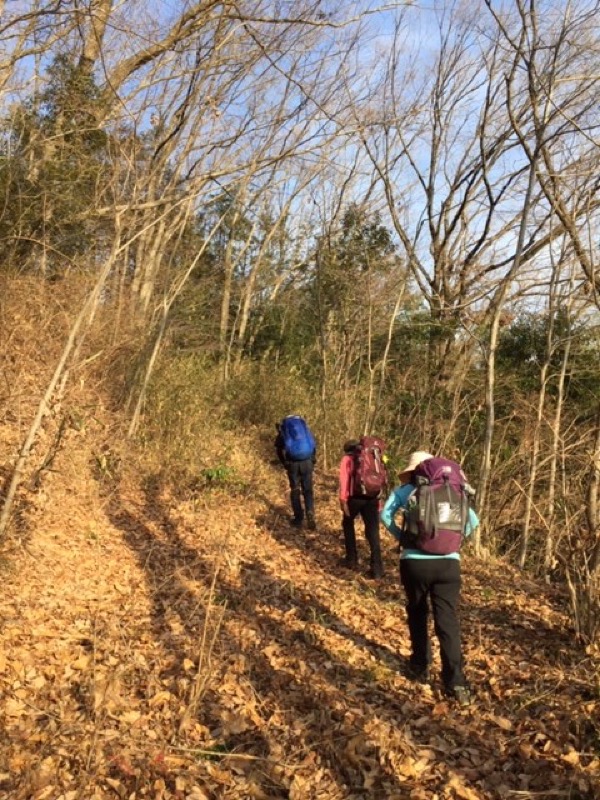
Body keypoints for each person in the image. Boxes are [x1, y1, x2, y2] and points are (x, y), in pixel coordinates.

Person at [380, 450, 479, 705]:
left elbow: (385, 515)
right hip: (449, 565)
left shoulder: (407, 490)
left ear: (415, 471)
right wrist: (452, 544)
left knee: (417, 611)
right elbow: (473, 522)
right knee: (447, 620)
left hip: (414, 563)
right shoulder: (453, 491)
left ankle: (419, 665)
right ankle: (455, 682)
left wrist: (403, 538)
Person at [338, 440, 385, 579]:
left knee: (347, 523)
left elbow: (344, 479)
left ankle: (351, 559)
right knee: (372, 530)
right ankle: (377, 568)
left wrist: (343, 499)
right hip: (372, 496)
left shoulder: (347, 459)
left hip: (355, 497)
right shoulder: (373, 457)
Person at [274, 416, 316, 530]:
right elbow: (313, 444)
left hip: (292, 464)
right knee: (308, 490)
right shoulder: (305, 429)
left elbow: (278, 449)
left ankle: (298, 518)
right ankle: (310, 513)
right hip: (307, 463)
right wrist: (312, 460)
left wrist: (284, 463)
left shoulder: (285, 430)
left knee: (295, 489)